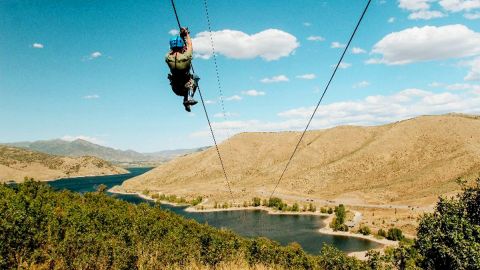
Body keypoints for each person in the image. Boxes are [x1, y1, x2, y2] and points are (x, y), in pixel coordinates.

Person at [165, 27, 199, 112]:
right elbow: (189, 45)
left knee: (185, 83)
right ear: (182, 47)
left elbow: (173, 52)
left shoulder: (167, 58)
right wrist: (186, 34)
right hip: (185, 86)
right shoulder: (186, 56)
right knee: (195, 77)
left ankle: (186, 99)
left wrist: (181, 39)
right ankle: (189, 98)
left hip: (176, 88)